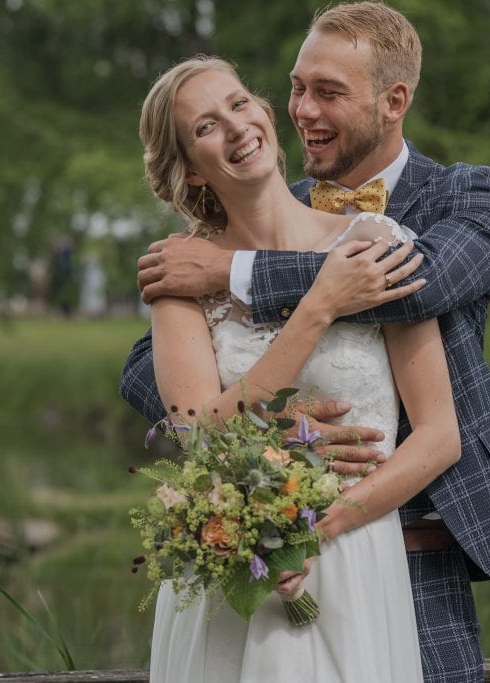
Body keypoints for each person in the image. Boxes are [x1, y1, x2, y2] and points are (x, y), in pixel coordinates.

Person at [121, 3, 490, 682]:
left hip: (409, 547)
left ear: (393, 102)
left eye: (328, 93)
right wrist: (264, 439)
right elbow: (146, 376)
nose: (303, 109)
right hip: (256, 556)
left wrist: (239, 274)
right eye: (298, 88)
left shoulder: (465, 196)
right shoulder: (219, 242)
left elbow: (416, 287)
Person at [141, 54, 462, 682]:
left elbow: (439, 435)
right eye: (205, 127)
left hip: (354, 551)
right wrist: (319, 307)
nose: (235, 128)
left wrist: (319, 526)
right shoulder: (180, 280)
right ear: (190, 172)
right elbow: (197, 435)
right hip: (239, 568)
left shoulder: (375, 242)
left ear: (263, 110)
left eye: (239, 103)